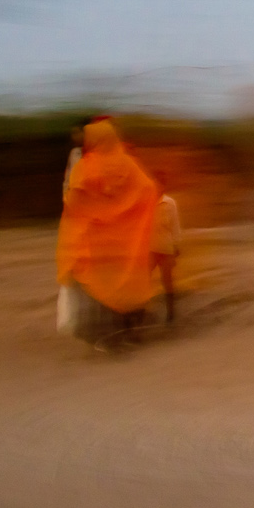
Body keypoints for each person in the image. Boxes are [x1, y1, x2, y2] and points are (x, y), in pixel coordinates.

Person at [57, 117, 159, 353]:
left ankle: (106, 337)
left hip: (97, 244)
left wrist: (95, 215)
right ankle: (130, 332)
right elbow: (149, 189)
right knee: (125, 287)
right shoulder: (128, 162)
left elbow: (74, 201)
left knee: (97, 288)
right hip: (125, 243)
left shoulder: (86, 165)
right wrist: (127, 214)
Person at [150, 172, 182, 325]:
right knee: (143, 278)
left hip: (166, 247)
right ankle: (142, 308)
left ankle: (171, 312)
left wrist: (176, 247)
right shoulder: (146, 202)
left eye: (158, 184)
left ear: (162, 186)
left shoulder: (170, 203)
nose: (155, 186)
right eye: (153, 183)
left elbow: (175, 226)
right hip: (150, 248)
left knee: (167, 280)